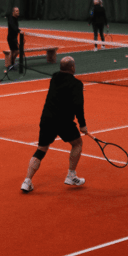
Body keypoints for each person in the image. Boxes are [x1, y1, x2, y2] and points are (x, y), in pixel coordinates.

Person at [21, 56, 89, 193]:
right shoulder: (76, 84)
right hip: (63, 121)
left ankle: (27, 181)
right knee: (77, 144)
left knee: (41, 149)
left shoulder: (54, 77)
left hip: (47, 119)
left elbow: (65, 89)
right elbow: (78, 105)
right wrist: (82, 125)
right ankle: (71, 175)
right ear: (72, 68)